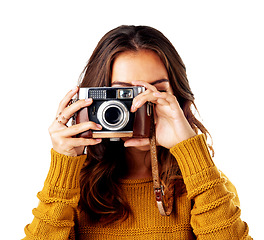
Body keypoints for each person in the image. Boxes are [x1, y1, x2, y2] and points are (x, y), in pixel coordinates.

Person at [23, 25, 252, 239]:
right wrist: (63, 166)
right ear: (92, 101)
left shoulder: (207, 184)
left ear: (178, 96)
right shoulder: (74, 188)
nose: (141, 107)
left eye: (156, 92)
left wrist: (193, 153)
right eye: (124, 94)